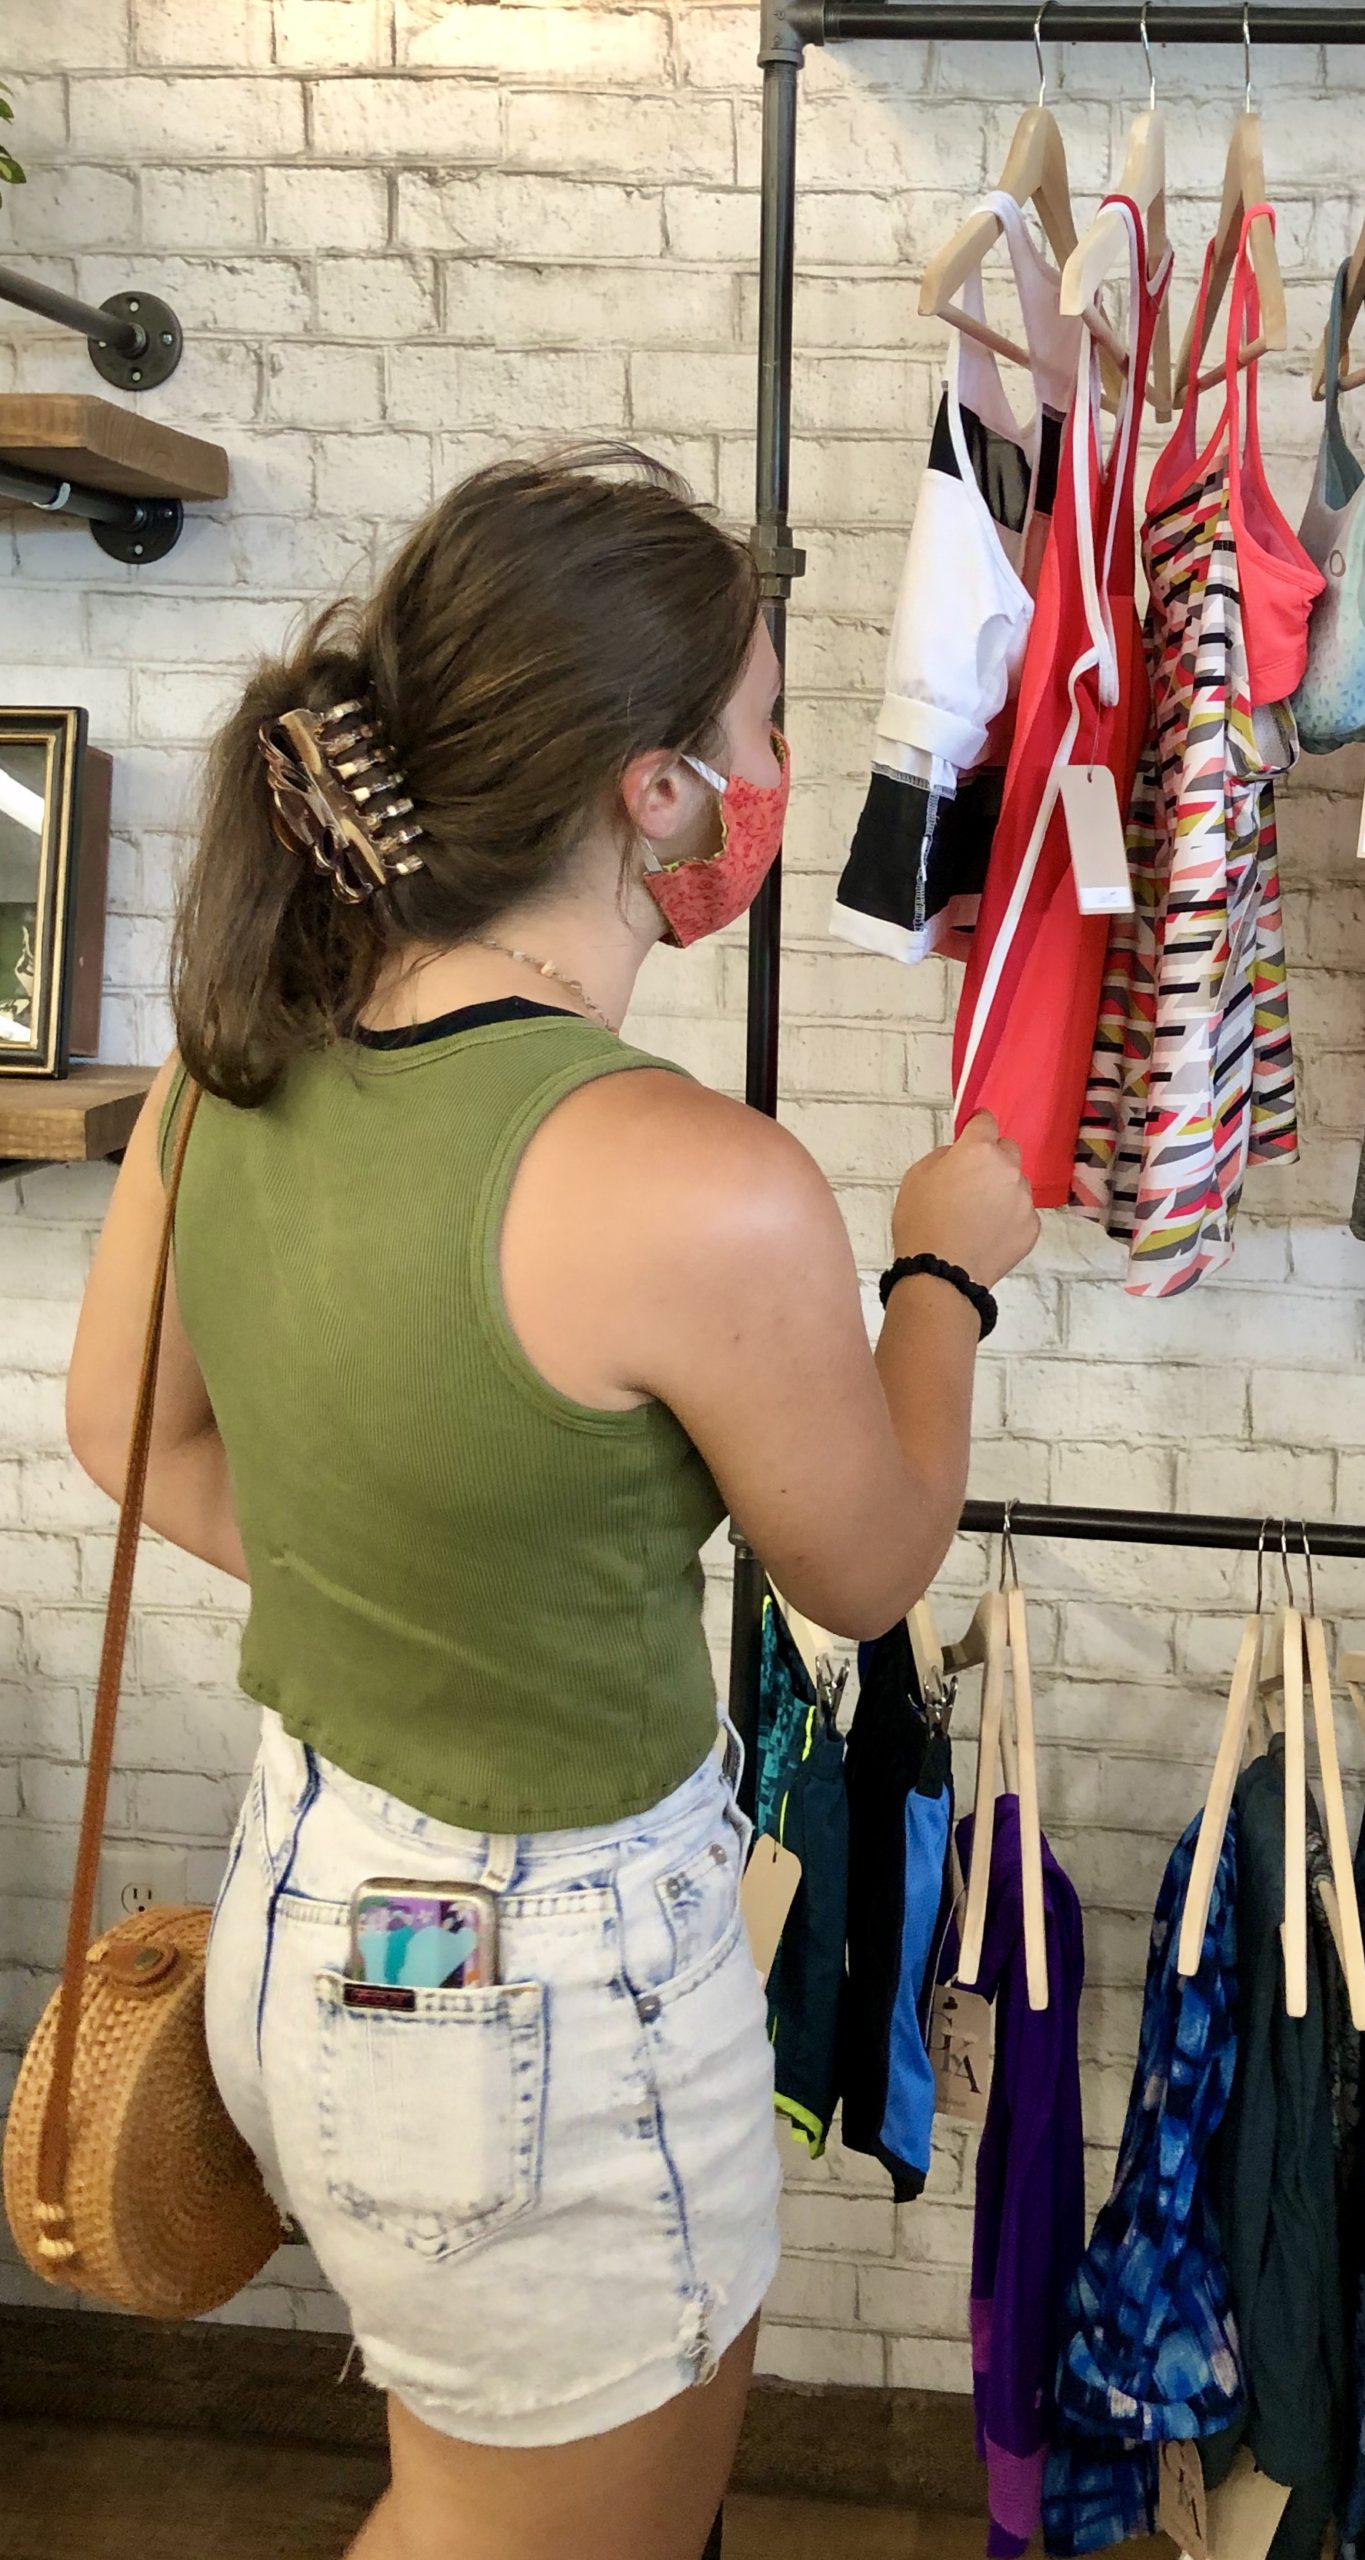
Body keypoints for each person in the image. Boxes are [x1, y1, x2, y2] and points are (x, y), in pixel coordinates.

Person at [64, 445, 1038, 2560]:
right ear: (653, 789)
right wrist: (946, 1267)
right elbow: (866, 1566)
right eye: (769, 725)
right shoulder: (692, 1179)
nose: (788, 767)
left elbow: (131, 1438)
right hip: (537, 1999)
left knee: (468, 2501)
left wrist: (435, 1592)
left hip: (304, 1919)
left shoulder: (228, 1068)